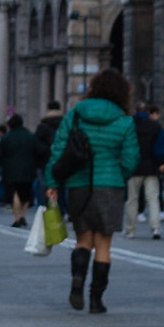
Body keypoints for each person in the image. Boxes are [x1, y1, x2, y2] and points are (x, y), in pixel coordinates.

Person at [46, 67, 140, 313]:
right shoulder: (124, 120)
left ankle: (77, 281)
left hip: (79, 185)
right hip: (110, 186)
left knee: (83, 239)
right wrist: (119, 175)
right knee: (104, 245)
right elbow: (131, 159)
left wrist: (53, 182)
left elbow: (58, 149)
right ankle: (96, 300)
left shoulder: (75, 115)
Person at [125, 103, 164, 238]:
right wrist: (161, 162)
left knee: (132, 199)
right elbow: (161, 145)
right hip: (151, 166)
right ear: (148, 112)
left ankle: (131, 229)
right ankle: (156, 228)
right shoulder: (155, 125)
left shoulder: (129, 125)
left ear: (135, 111)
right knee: (153, 198)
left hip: (134, 166)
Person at [0, 113, 38, 225]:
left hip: (10, 170)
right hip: (28, 169)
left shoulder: (6, 138)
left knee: (15, 193)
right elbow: (37, 152)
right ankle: (23, 215)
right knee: (26, 193)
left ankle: (16, 217)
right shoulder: (30, 136)